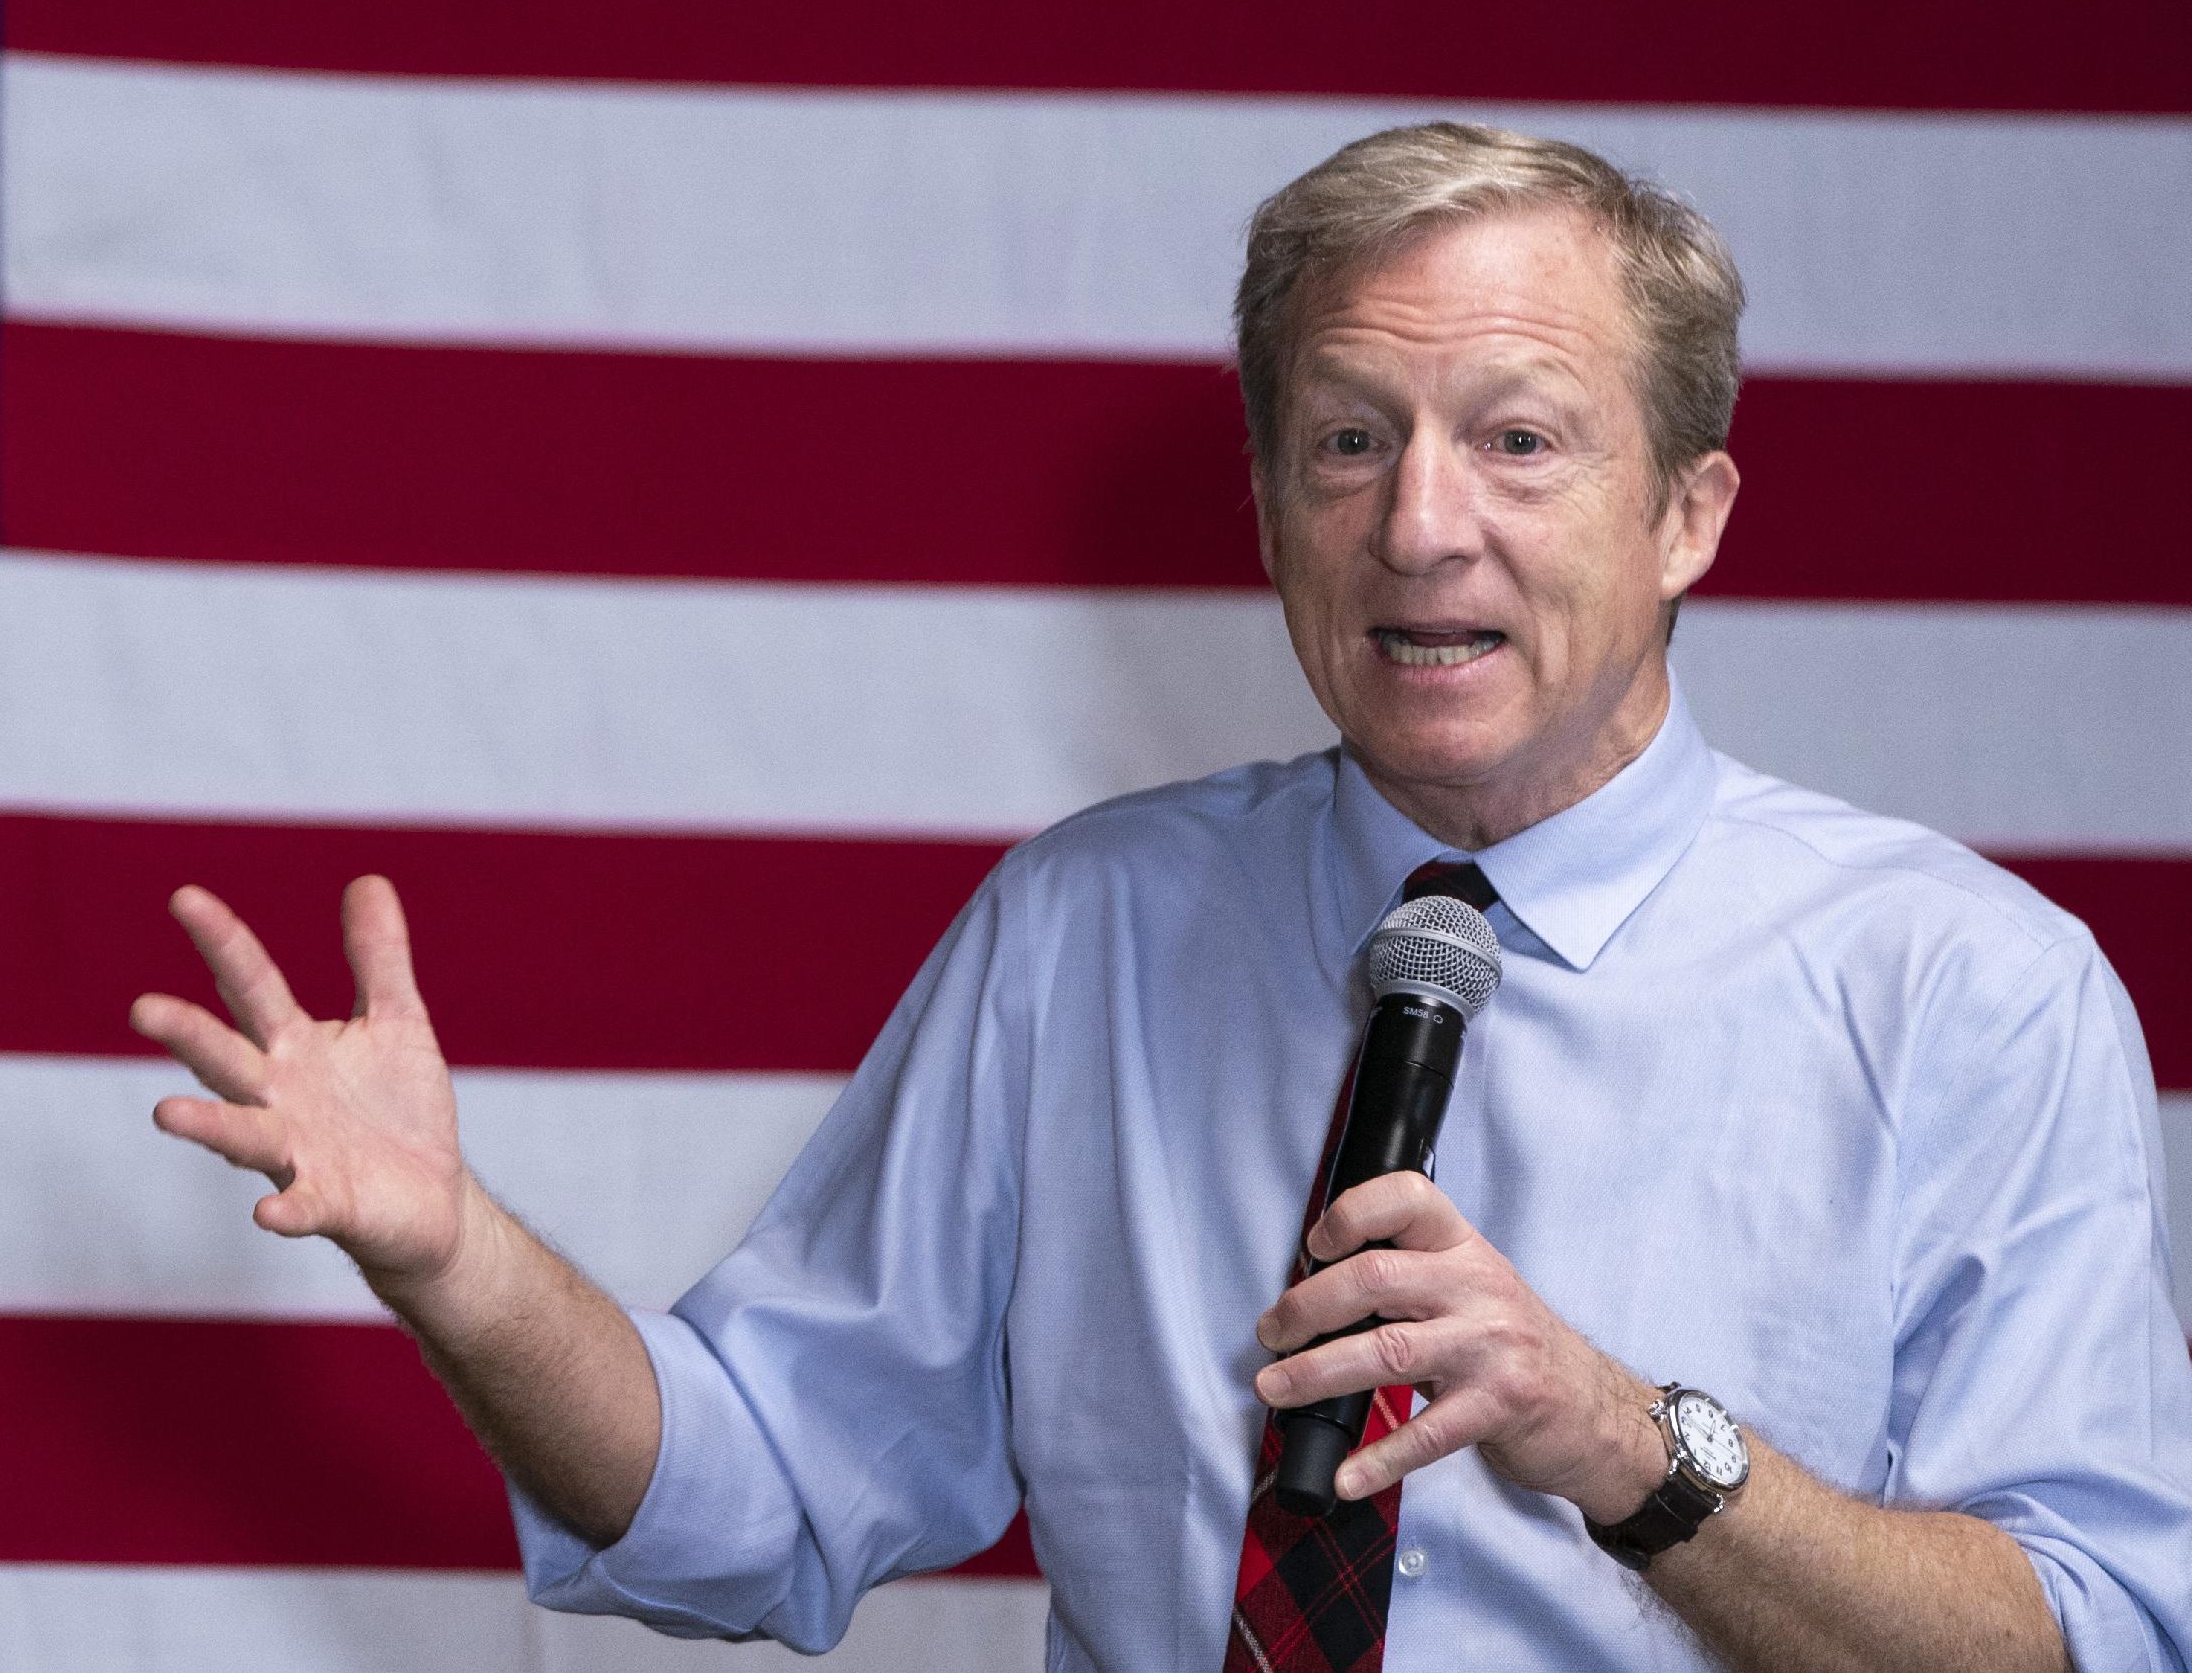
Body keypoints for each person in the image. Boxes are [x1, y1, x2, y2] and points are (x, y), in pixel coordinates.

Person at [135, 123, 2190, 1670]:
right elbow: (749, 1503)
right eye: (1344, 442)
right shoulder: (1084, 937)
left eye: (1519, 442)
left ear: (1686, 515)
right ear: (1270, 508)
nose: (1421, 525)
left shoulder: (1959, 992)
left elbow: (2097, 1630)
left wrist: (1624, 1443)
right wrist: (460, 1262)